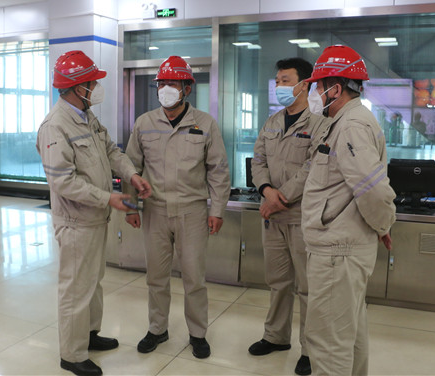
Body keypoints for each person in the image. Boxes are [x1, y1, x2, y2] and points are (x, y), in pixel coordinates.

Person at [36, 50, 152, 376]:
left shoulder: (87, 117)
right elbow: (63, 181)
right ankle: (72, 354)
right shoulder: (55, 126)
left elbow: (111, 151)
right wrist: (108, 198)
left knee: (92, 281)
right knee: (76, 287)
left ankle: (88, 334)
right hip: (76, 222)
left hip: (94, 218)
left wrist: (131, 174)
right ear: (78, 87)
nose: (97, 88)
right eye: (92, 83)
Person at [124, 55, 231, 359]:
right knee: (156, 277)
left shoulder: (205, 124)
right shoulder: (144, 123)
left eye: (173, 83)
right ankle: (157, 328)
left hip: (192, 212)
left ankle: (197, 333)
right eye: (162, 83)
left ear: (187, 88)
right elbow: (131, 167)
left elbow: (218, 170)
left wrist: (217, 210)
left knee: (194, 278)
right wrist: (131, 206)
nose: (166, 89)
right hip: (155, 211)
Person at [300, 45, 396, 375]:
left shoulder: (351, 125)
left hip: (337, 253)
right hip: (342, 248)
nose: (313, 93)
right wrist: (380, 226)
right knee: (349, 337)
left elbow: (374, 190)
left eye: (317, 86)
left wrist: (383, 224)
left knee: (328, 343)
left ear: (336, 89)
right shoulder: (344, 122)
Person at [249, 58, 330, 376]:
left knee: (308, 287)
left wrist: (280, 198)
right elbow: (257, 159)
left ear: (304, 84)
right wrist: (266, 190)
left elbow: (313, 168)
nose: (279, 86)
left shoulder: (319, 123)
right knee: (278, 282)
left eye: (286, 80)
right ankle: (276, 336)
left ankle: (310, 349)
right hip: (273, 218)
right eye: (278, 80)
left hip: (302, 217)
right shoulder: (272, 122)